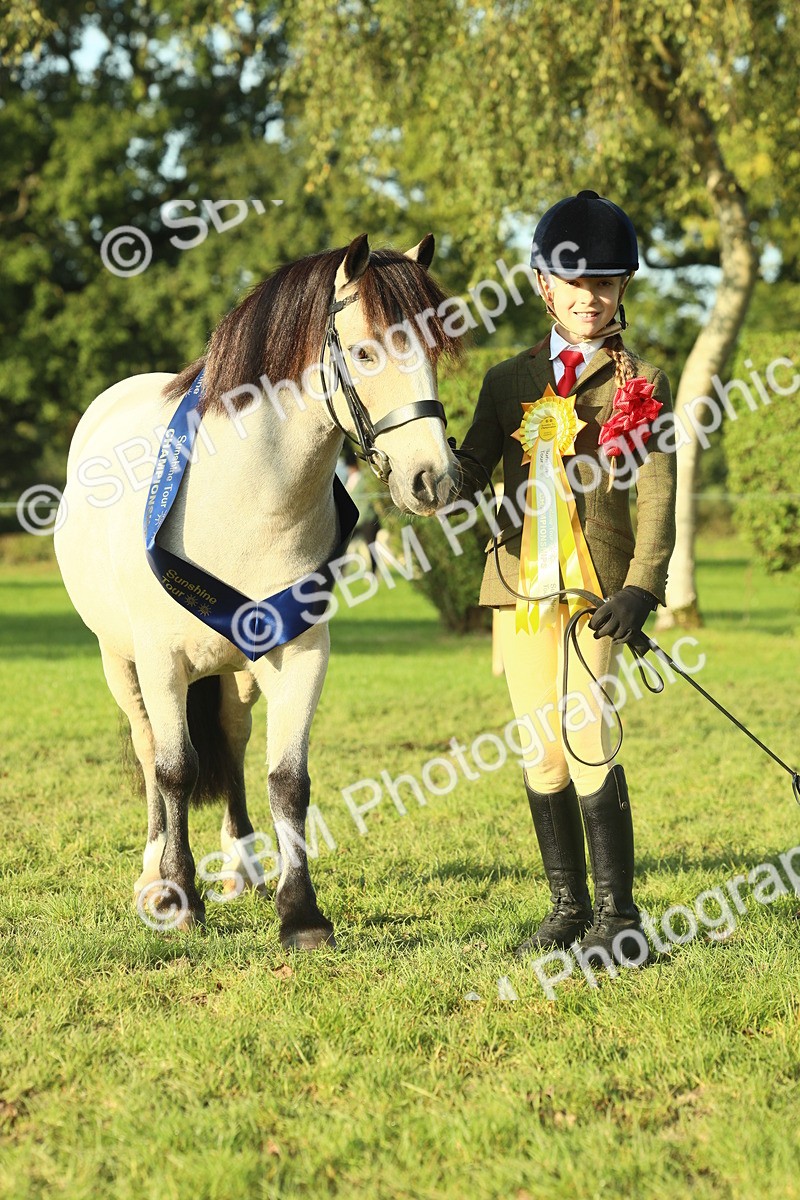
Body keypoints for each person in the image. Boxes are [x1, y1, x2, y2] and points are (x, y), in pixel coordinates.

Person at [456, 190, 677, 966]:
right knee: (539, 746)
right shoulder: (506, 380)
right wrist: (426, 459)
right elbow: (470, 468)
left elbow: (657, 496)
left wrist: (642, 587)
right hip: (520, 590)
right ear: (544, 285)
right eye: (576, 283)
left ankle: (620, 917)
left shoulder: (640, 383)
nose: (591, 298)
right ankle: (567, 907)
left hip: (600, 592)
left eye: (605, 284)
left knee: (587, 736)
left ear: (622, 289)